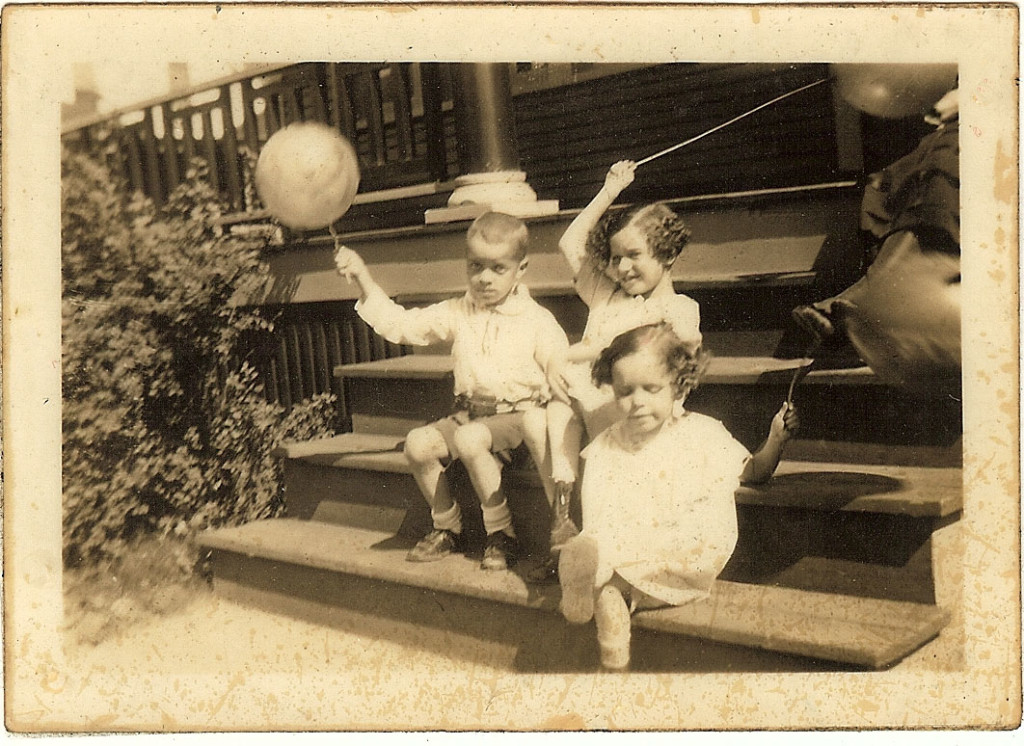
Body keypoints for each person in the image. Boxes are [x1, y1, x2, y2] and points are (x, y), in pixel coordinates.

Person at [334, 212, 568, 571]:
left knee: (471, 439)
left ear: (521, 269)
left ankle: (501, 533)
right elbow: (405, 325)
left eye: (497, 268)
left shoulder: (535, 320)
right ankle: (447, 525)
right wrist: (363, 277)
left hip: (516, 417)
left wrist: (556, 374)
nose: (484, 278)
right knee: (417, 444)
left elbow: (558, 361)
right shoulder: (460, 311)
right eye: (475, 266)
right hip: (468, 415)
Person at [556, 323, 798, 669]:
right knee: (601, 555)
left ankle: (605, 604)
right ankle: (609, 629)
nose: (637, 401)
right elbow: (598, 509)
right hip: (627, 541)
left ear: (678, 386)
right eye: (625, 391)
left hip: (679, 547)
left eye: (651, 389)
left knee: (615, 573)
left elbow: (754, 470)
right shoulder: (607, 445)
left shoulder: (702, 434)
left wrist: (776, 438)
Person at [535, 160, 703, 579]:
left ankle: (593, 543)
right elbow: (570, 242)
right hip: (583, 400)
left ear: (666, 255)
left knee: (589, 414)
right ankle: (563, 522)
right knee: (547, 416)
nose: (623, 267)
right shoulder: (606, 295)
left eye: (634, 256)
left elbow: (657, 368)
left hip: (626, 406)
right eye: (615, 257)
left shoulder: (678, 311)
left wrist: (569, 356)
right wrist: (610, 191)